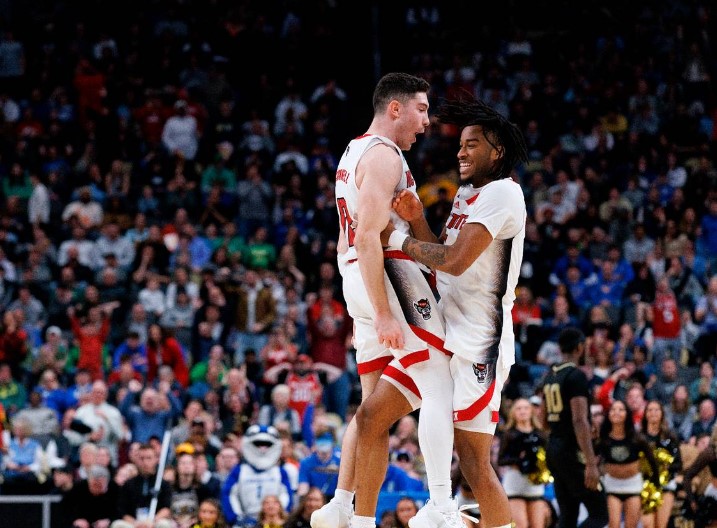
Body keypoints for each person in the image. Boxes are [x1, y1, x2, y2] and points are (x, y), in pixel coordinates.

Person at [312, 73, 457, 528]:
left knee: (372, 408)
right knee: (437, 377)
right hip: (386, 277)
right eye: (421, 109)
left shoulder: (353, 151)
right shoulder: (383, 156)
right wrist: (381, 313)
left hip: (357, 275)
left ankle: (349, 510)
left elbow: (349, 242)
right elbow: (372, 239)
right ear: (395, 108)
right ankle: (441, 505)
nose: (427, 121)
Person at [380, 95, 529, 528]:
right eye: (460, 144)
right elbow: (442, 255)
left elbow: (456, 260)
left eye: (472, 144)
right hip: (446, 322)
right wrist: (418, 218)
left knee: (474, 461)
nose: (460, 152)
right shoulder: (468, 192)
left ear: (497, 151)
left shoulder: (504, 193)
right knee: (381, 415)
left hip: (480, 337)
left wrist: (399, 242)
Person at [540, 327, 608, 528]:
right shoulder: (576, 375)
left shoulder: (550, 375)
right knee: (600, 514)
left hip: (554, 448)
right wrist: (591, 463)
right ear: (580, 347)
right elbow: (579, 420)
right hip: (571, 451)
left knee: (568, 516)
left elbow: (543, 420)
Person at [596, 399, 658, 528]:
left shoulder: (637, 439)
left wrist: (654, 481)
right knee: (614, 524)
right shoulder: (603, 439)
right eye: (613, 410)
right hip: (612, 485)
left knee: (631, 525)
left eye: (621, 409)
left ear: (627, 414)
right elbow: (593, 460)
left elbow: (652, 461)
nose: (616, 412)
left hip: (633, 485)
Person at [496, 398, 552, 528]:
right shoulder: (509, 434)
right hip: (515, 483)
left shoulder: (541, 434)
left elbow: (548, 456)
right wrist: (518, 460)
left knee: (538, 525)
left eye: (526, 408)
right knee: (521, 525)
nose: (522, 411)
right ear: (513, 413)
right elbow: (500, 460)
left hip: (535, 483)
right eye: (518, 408)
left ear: (531, 411)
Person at [640, 399, 683, 528]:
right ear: (645, 414)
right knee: (648, 524)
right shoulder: (639, 437)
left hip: (666, 485)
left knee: (661, 525)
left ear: (662, 414)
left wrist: (664, 467)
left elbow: (678, 463)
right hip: (644, 486)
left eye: (657, 410)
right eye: (650, 410)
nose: (653, 413)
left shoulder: (671, 437)